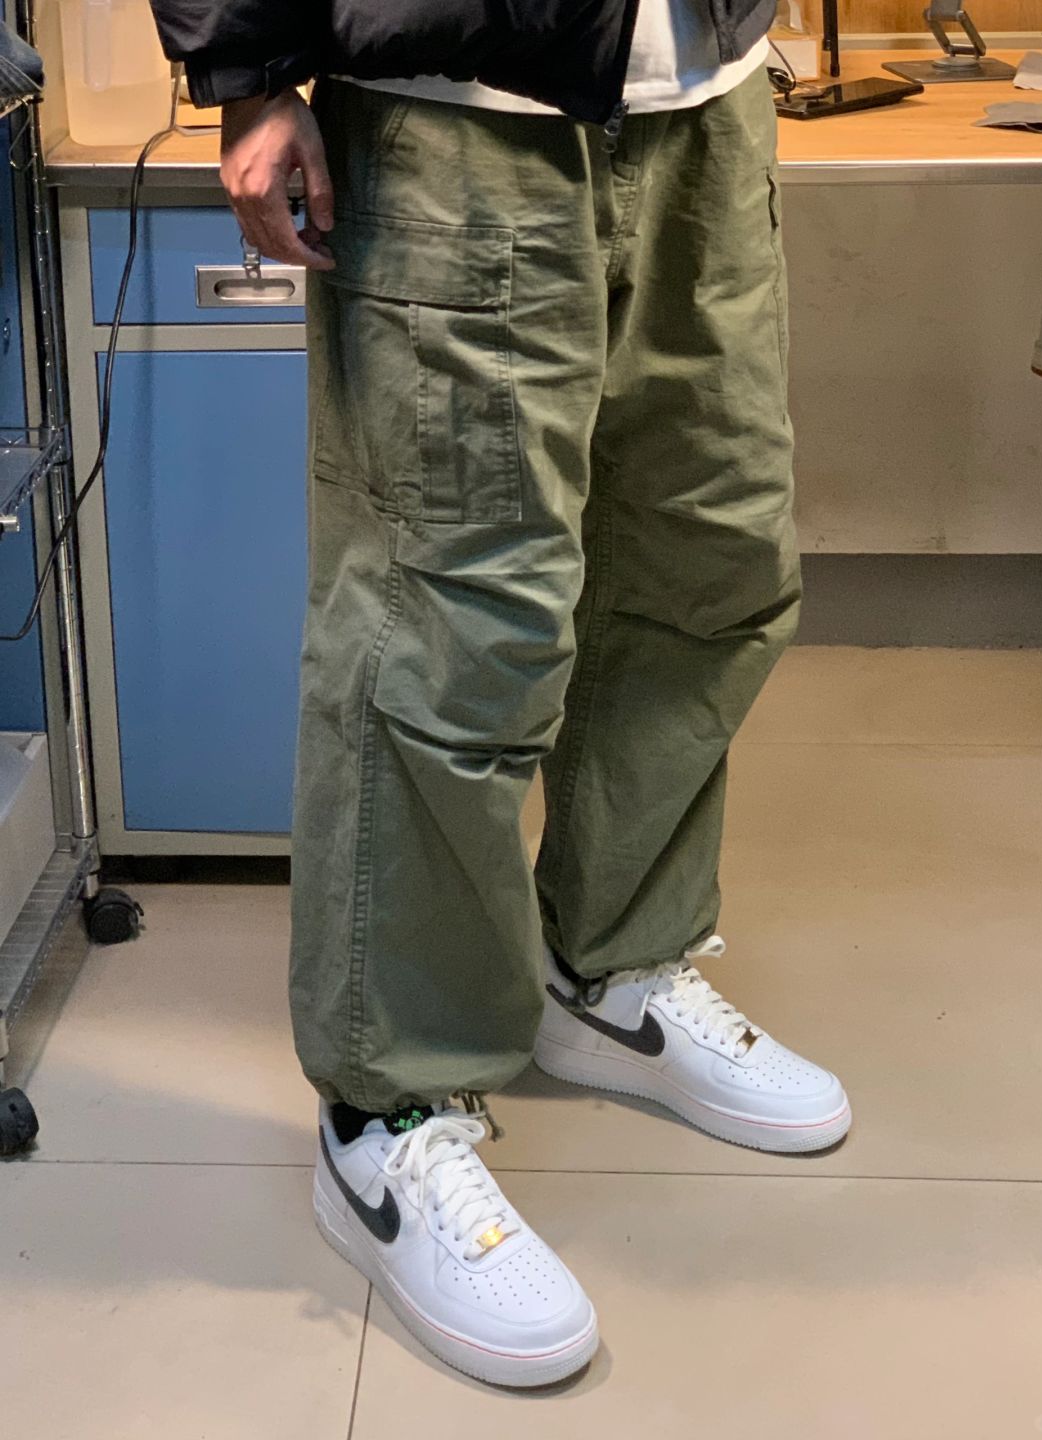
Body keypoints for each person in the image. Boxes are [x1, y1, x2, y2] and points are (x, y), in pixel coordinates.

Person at [150, 0, 852, 1389]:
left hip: (708, 98)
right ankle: (386, 1109)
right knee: (445, 626)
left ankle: (611, 967)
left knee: (708, 557)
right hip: (457, 108)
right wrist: (246, 74)